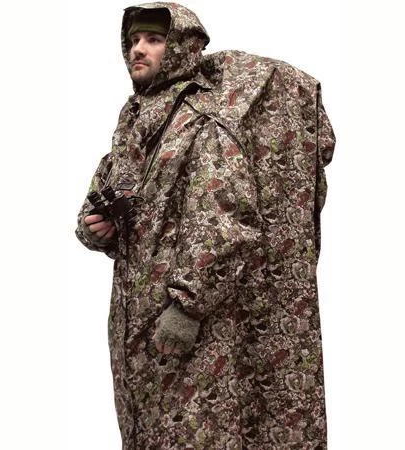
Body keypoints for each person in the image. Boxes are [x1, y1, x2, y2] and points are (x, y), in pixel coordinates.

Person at [75, 2, 336, 448]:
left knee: (197, 433)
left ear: (180, 47)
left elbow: (225, 216)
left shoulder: (203, 117)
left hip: (186, 321)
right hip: (136, 317)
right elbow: (108, 189)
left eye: (153, 40)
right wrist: (94, 228)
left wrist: (188, 307)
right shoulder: (138, 117)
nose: (138, 49)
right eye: (133, 40)